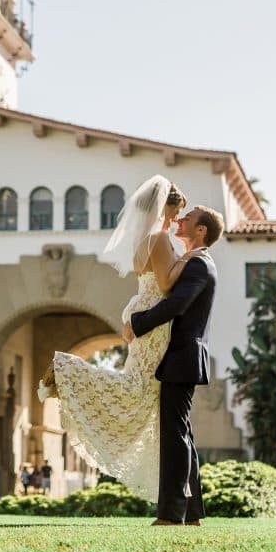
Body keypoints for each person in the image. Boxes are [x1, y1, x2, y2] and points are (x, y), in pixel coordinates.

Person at [36, 176, 206, 505]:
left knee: (141, 391)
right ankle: (68, 370)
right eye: (174, 212)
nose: (174, 220)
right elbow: (167, 285)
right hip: (153, 320)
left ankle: (183, 498)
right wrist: (189, 257)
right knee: (137, 390)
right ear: (163, 207)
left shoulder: (146, 238)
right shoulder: (158, 239)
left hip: (144, 311)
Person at [125, 203, 222, 526]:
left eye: (189, 218)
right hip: (179, 357)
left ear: (201, 230)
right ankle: (192, 513)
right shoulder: (191, 262)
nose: (181, 220)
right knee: (182, 433)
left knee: (174, 434)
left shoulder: (199, 265)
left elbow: (177, 305)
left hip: (183, 356)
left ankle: (171, 513)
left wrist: (137, 323)